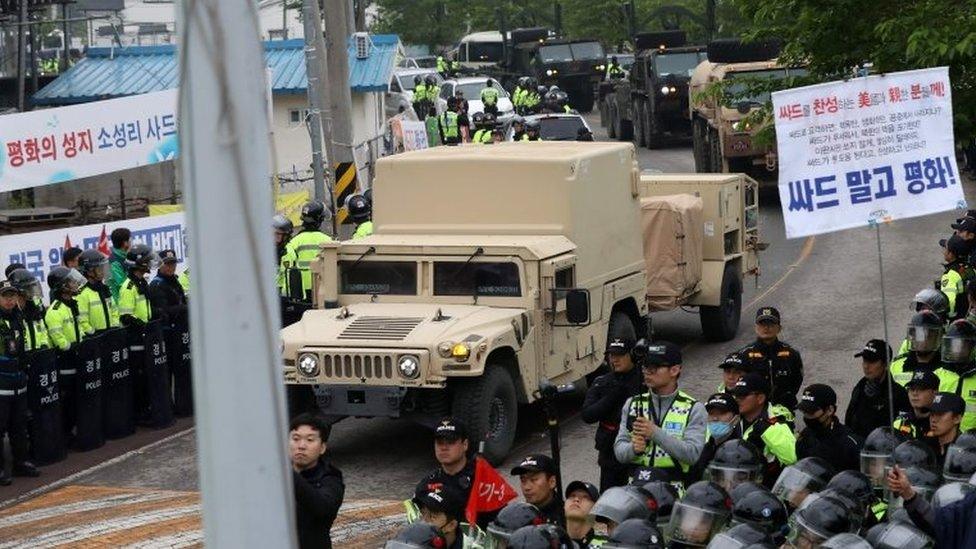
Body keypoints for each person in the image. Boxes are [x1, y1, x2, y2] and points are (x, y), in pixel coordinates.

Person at [614, 341, 706, 486]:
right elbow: (619, 451)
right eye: (645, 367)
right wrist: (632, 449)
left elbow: (692, 454)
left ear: (674, 370)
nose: (647, 373)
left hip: (673, 490)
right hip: (636, 489)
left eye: (654, 368)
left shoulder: (694, 408)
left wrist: (654, 433)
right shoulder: (632, 403)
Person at [582, 336, 645, 491]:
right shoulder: (602, 382)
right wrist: (613, 394)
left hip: (638, 448)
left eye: (620, 355)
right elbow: (588, 415)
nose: (614, 359)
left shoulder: (644, 381)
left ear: (632, 355)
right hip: (609, 450)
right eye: (612, 355)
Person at [0, 280, 38, 486]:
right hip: (2, 382)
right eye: (5, 296)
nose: (9, 300)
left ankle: (21, 462)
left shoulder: (18, 317)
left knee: (19, 424)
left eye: (12, 296)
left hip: (18, 379)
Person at [729, 373, 797, 488]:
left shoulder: (776, 423)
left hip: (763, 489)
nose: (737, 400)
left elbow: (792, 457)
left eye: (743, 395)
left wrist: (766, 430)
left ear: (760, 398)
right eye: (736, 395)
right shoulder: (732, 419)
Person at [290, 413, 344, 549]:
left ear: (322, 448)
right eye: (295, 439)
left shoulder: (331, 479)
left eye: (310, 440)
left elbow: (322, 508)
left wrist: (288, 474)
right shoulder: (273, 476)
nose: (301, 446)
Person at [150, 250, 192, 417]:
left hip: (180, 331)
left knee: (183, 371)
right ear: (160, 265)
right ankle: (170, 408)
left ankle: (185, 406)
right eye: (167, 264)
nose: (171, 267)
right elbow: (164, 311)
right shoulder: (157, 284)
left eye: (173, 263)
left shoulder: (174, 280)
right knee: (169, 373)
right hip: (167, 334)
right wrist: (185, 308)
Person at [739, 307, 803, 410]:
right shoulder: (745, 354)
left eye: (771, 324)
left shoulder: (791, 354)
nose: (766, 328)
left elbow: (797, 380)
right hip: (755, 409)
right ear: (756, 327)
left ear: (779, 328)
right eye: (762, 324)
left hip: (784, 408)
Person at [846, 338, 911, 438]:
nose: (866, 366)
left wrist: (878, 403)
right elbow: (850, 421)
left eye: (872, 361)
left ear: (885, 364)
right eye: (864, 360)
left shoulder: (898, 394)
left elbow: (904, 430)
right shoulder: (860, 388)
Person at [796, 384, 863, 472]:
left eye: (811, 412)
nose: (807, 416)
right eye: (804, 411)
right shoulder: (804, 437)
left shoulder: (849, 443)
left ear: (830, 410)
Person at [414, 418, 475, 508]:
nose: (444, 448)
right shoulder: (426, 485)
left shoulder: (481, 479)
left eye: (450, 442)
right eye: (439, 443)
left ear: (465, 445)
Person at [280, 201, 333, 302]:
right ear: (320, 220)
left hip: (300, 291)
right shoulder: (328, 241)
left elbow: (286, 268)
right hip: (323, 288)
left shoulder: (294, 242)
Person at [687, 392, 742, 483]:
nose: (715, 418)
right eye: (711, 413)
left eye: (722, 413)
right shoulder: (704, 449)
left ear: (736, 419)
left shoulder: (741, 451)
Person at [934, 319, 976, 431]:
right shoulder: (937, 375)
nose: (956, 349)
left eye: (961, 345)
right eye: (953, 344)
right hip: (941, 438)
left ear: (972, 347)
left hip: (971, 442)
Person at [890, 311, 944, 387]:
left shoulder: (946, 370)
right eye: (919, 335)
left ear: (937, 338)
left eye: (929, 336)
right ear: (912, 336)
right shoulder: (896, 365)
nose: (924, 340)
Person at [510, 454, 565, 527]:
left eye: (534, 480)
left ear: (552, 482)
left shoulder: (569, 517)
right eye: (523, 480)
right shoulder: (519, 517)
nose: (527, 487)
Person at [921, 392, 964, 468]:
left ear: (957, 418)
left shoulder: (965, 452)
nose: (933, 420)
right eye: (932, 414)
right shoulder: (924, 446)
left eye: (940, 414)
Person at [893, 370, 939, 438]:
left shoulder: (941, 424)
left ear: (935, 392)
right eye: (911, 389)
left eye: (921, 389)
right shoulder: (900, 423)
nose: (915, 393)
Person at [940, 234, 972, 321]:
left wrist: (949, 317)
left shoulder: (950, 275)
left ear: (951, 254)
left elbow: (950, 301)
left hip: (959, 323)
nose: (943, 251)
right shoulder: (970, 268)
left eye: (945, 249)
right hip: (971, 316)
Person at [563, 480, 599, 546]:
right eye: (572, 495)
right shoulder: (550, 540)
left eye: (585, 497)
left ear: (595, 509)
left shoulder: (606, 546)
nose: (576, 499)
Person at [108, 227, 131, 301]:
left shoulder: (125, 257)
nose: (131, 242)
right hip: (121, 303)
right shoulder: (114, 262)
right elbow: (122, 284)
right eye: (130, 239)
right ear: (125, 243)